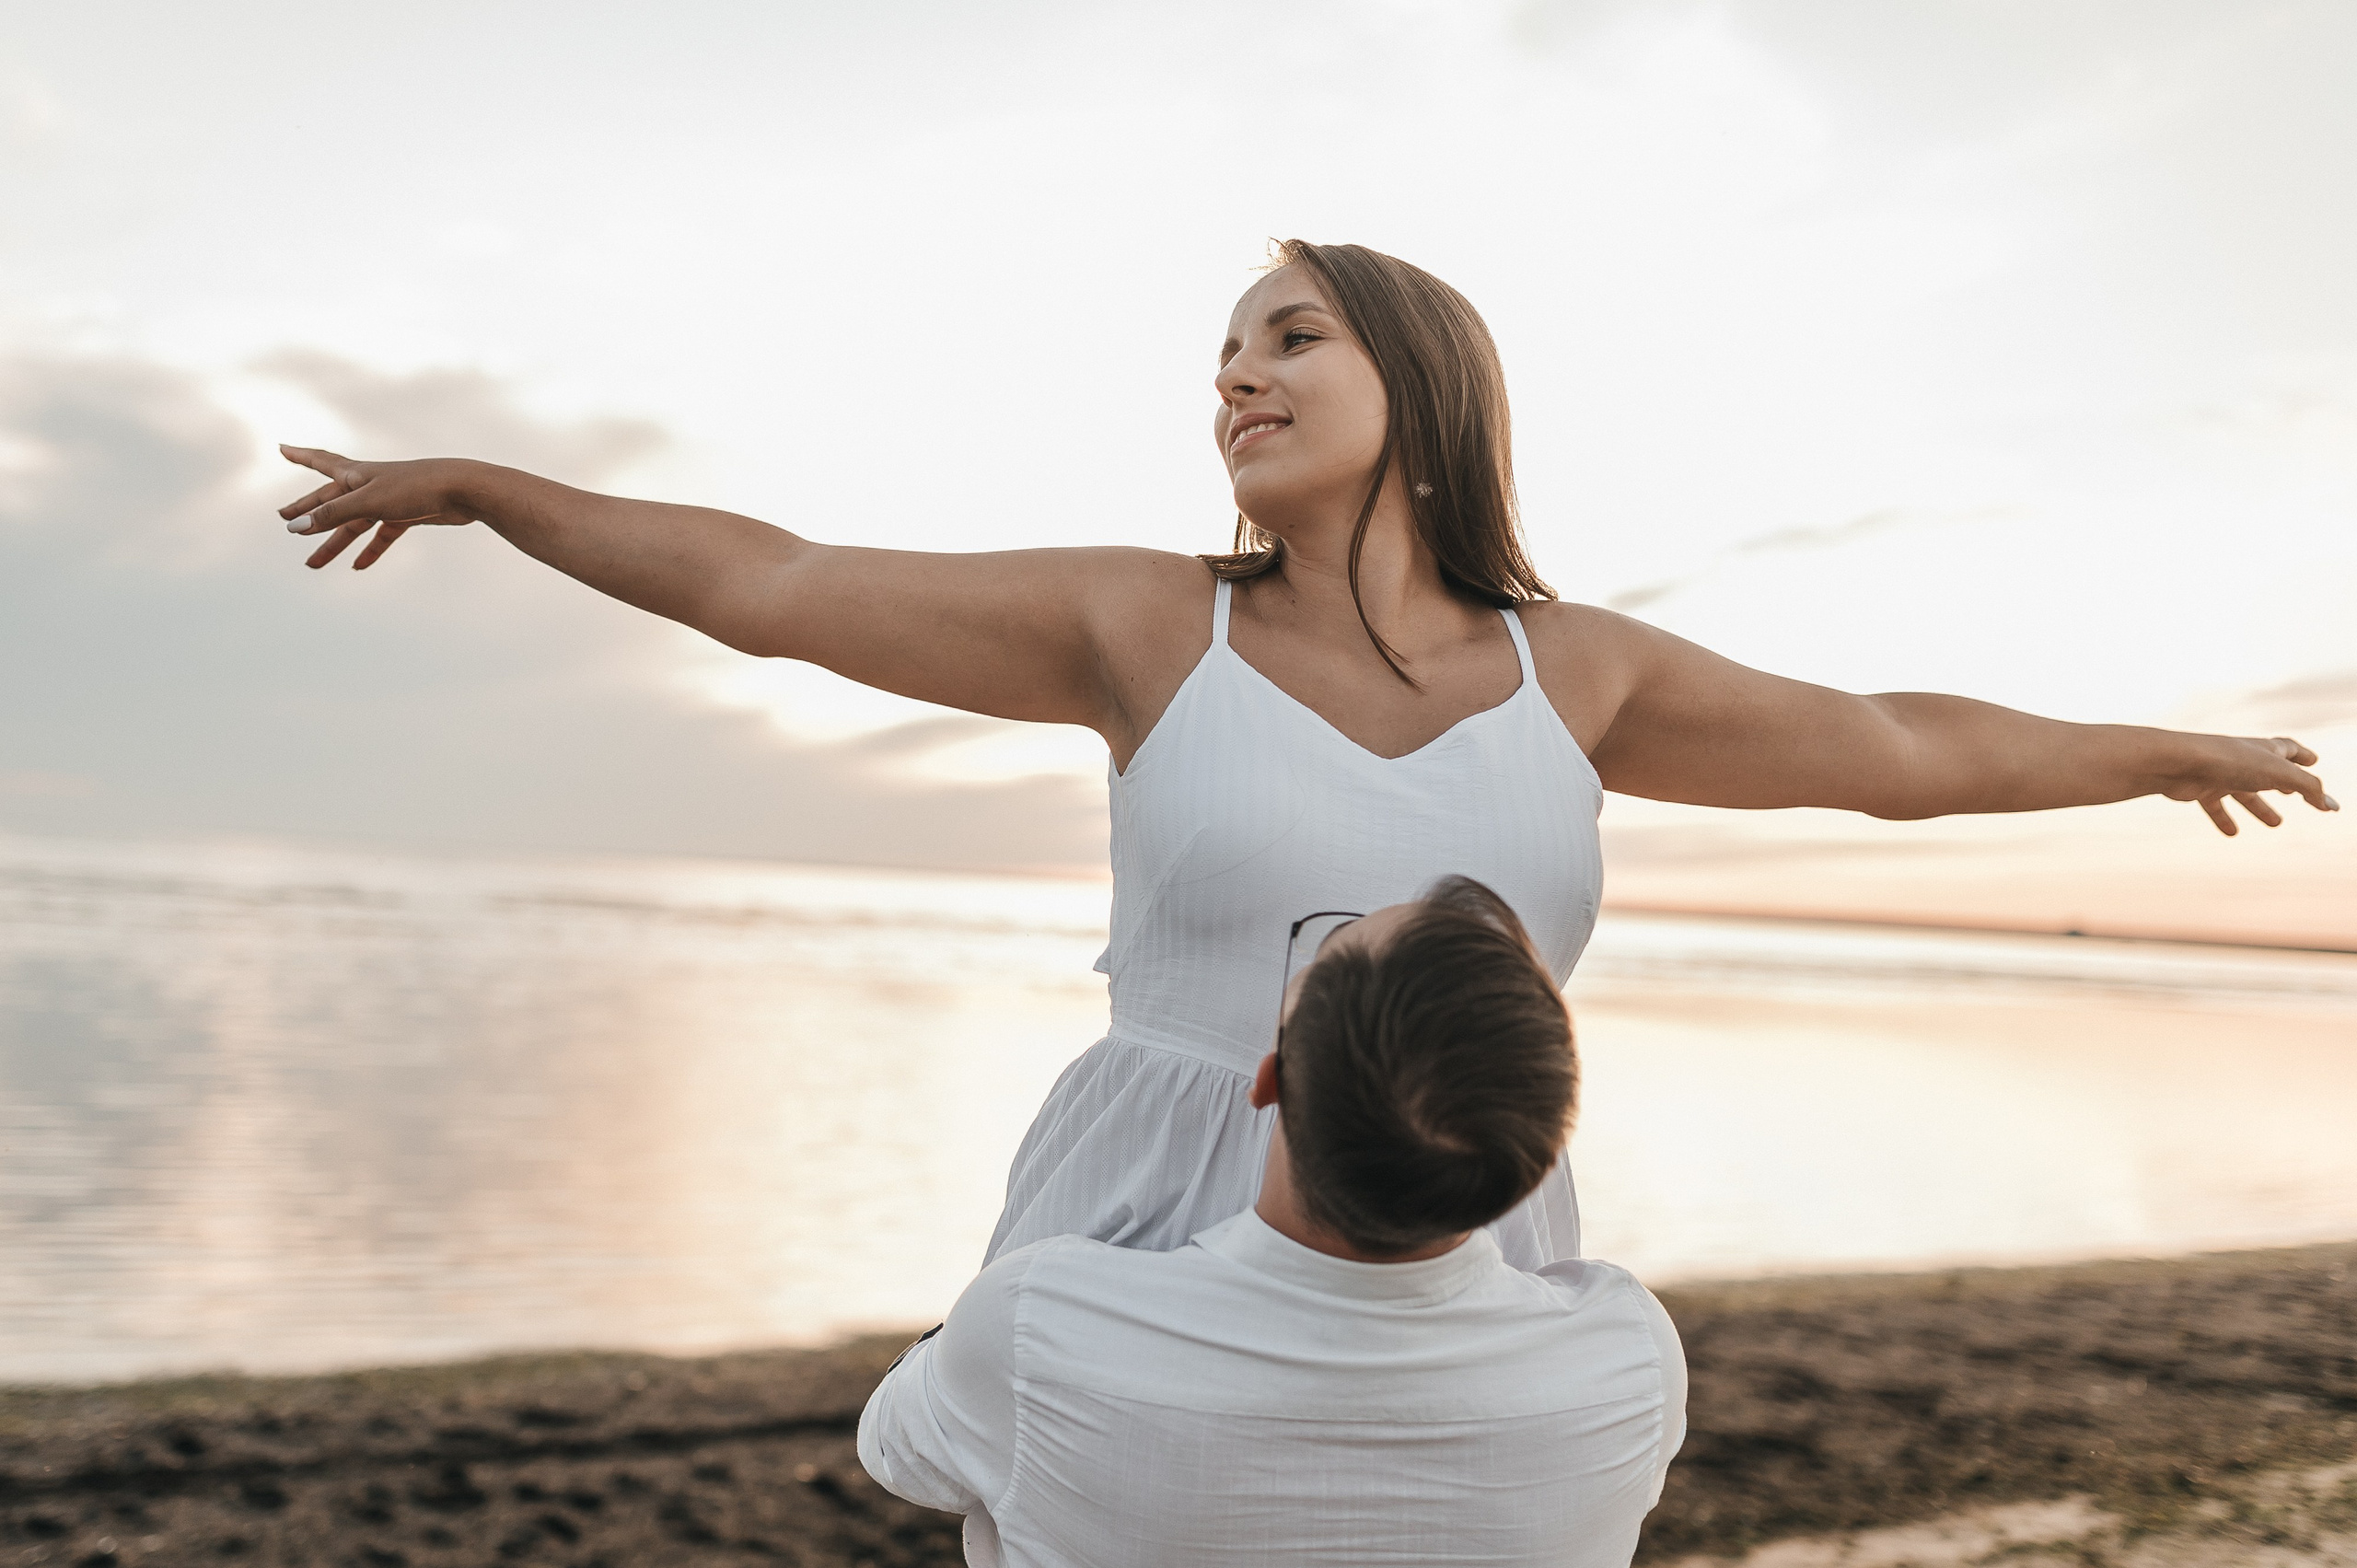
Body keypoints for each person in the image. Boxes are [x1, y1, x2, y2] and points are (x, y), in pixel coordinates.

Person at [276, 239, 2335, 1272]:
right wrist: (485, 483)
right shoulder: (1138, 622)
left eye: (1288, 337)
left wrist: (2155, 751)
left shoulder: (1580, 672)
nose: (1235, 378)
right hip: (1147, 1190)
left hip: (1455, 1209)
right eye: (1221, 357)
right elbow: (774, 578)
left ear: (1417, 379)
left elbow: (1891, 745)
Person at [858, 877, 1685, 1568]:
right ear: (1542, 1156)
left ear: (1267, 1081)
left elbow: (896, 1451)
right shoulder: (1628, 1355)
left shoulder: (1037, 1324)